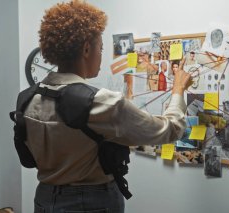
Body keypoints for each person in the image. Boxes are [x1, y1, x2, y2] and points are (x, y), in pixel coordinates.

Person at [22, 1, 191, 213]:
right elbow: (171, 129)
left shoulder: (28, 98)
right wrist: (178, 90)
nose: (101, 55)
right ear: (86, 49)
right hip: (90, 202)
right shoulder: (101, 103)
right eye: (100, 48)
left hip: (44, 199)